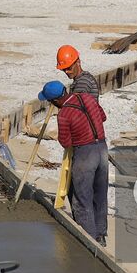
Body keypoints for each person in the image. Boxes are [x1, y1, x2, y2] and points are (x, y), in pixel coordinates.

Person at [40, 78, 108, 245]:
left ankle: (89, 242)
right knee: (100, 196)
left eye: (50, 101)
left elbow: (66, 142)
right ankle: (101, 235)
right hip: (102, 149)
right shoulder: (86, 98)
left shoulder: (64, 114)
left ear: (55, 101)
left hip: (85, 154)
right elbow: (103, 117)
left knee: (82, 199)